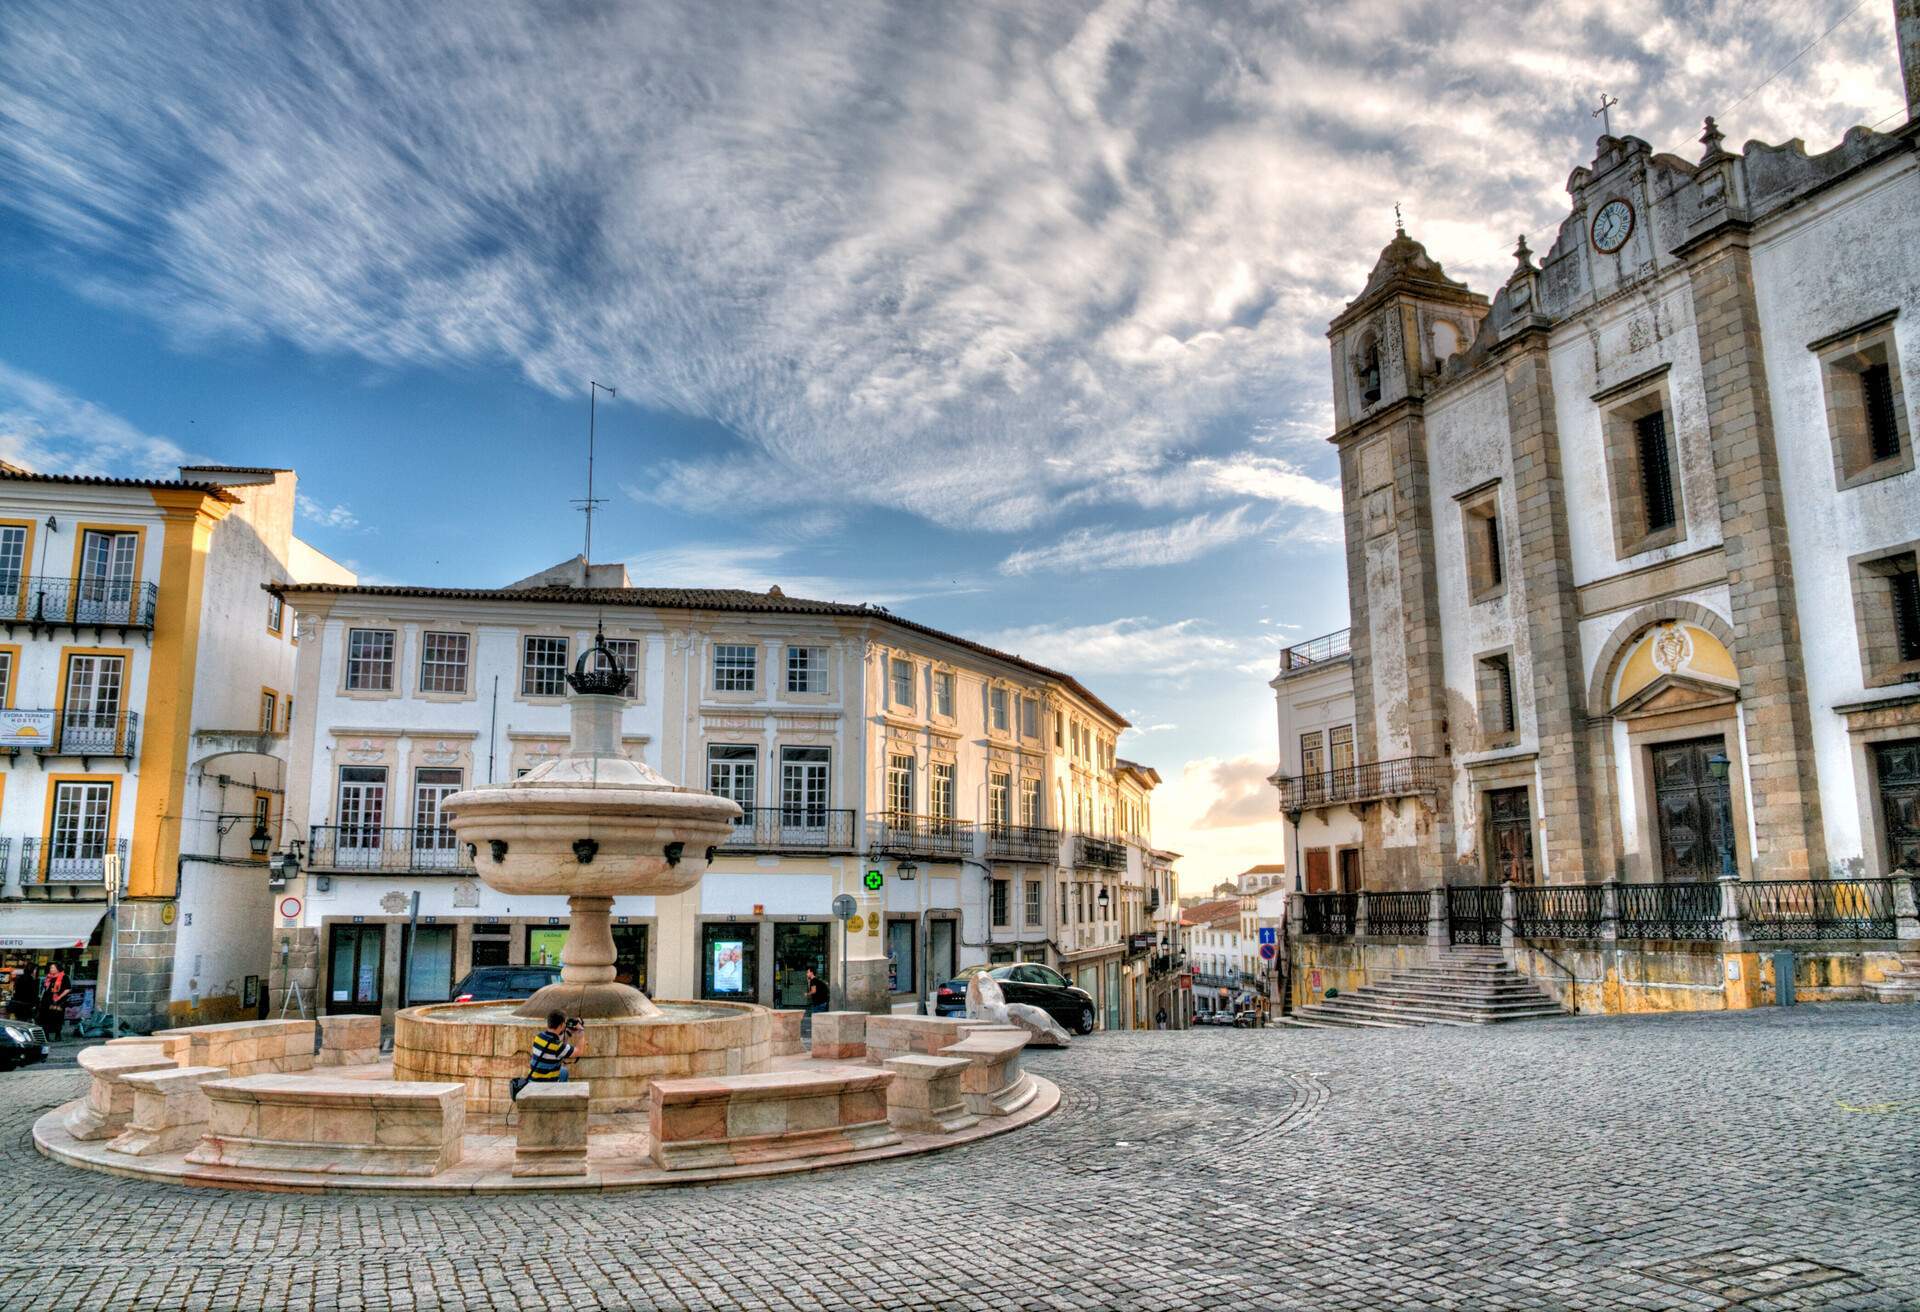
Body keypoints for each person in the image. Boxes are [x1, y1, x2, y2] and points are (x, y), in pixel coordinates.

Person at [522, 1010, 584, 1088]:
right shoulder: (558, 1046)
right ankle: (559, 1096)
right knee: (564, 1073)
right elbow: (579, 1052)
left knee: (563, 1071)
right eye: (564, 1023)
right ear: (561, 1025)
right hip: (546, 1084)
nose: (565, 1025)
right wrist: (581, 1031)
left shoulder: (539, 1037)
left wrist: (568, 1032)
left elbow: (556, 1045)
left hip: (533, 1079)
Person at [41, 963, 71, 1040]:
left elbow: (68, 989)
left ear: (58, 968)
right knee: (46, 1018)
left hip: (58, 1001)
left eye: (53, 968)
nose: (51, 969)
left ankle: (57, 1035)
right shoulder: (49, 977)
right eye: (51, 968)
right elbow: (45, 989)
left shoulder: (64, 977)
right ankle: (46, 1035)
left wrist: (59, 997)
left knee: (57, 1017)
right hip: (47, 1000)